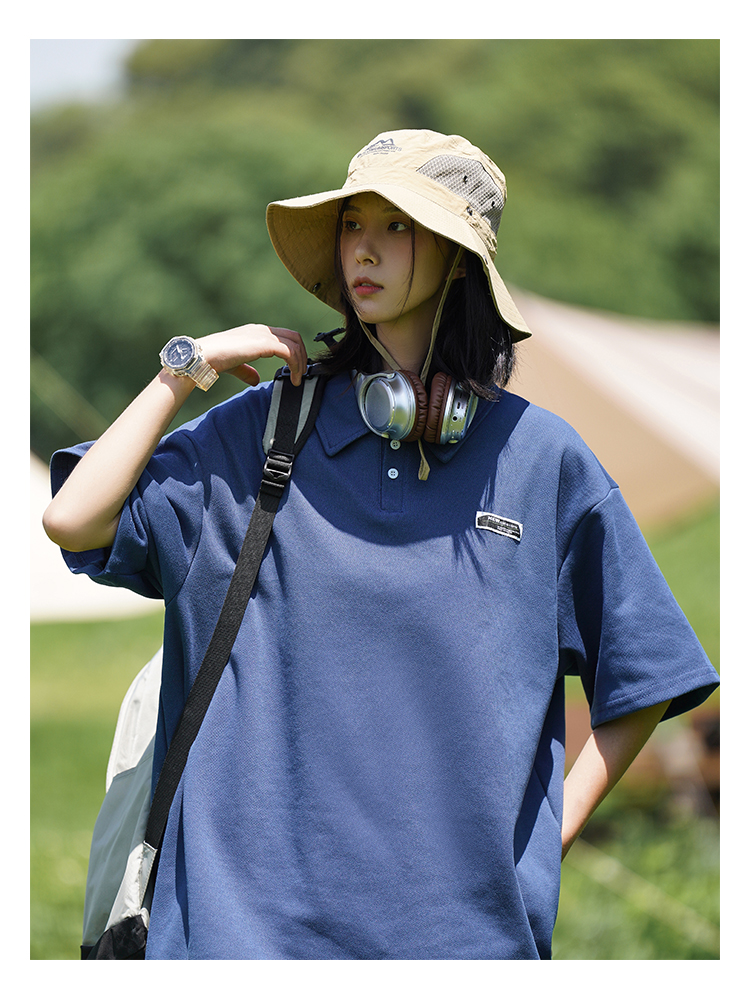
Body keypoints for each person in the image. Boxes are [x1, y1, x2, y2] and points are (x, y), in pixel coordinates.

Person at [43, 129, 719, 960]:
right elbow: (75, 518)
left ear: (459, 260)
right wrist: (186, 367)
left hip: (461, 951)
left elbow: (645, 676)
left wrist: (543, 844)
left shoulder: (542, 459)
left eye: (398, 226)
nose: (363, 247)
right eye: (352, 223)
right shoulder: (264, 432)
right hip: (238, 941)